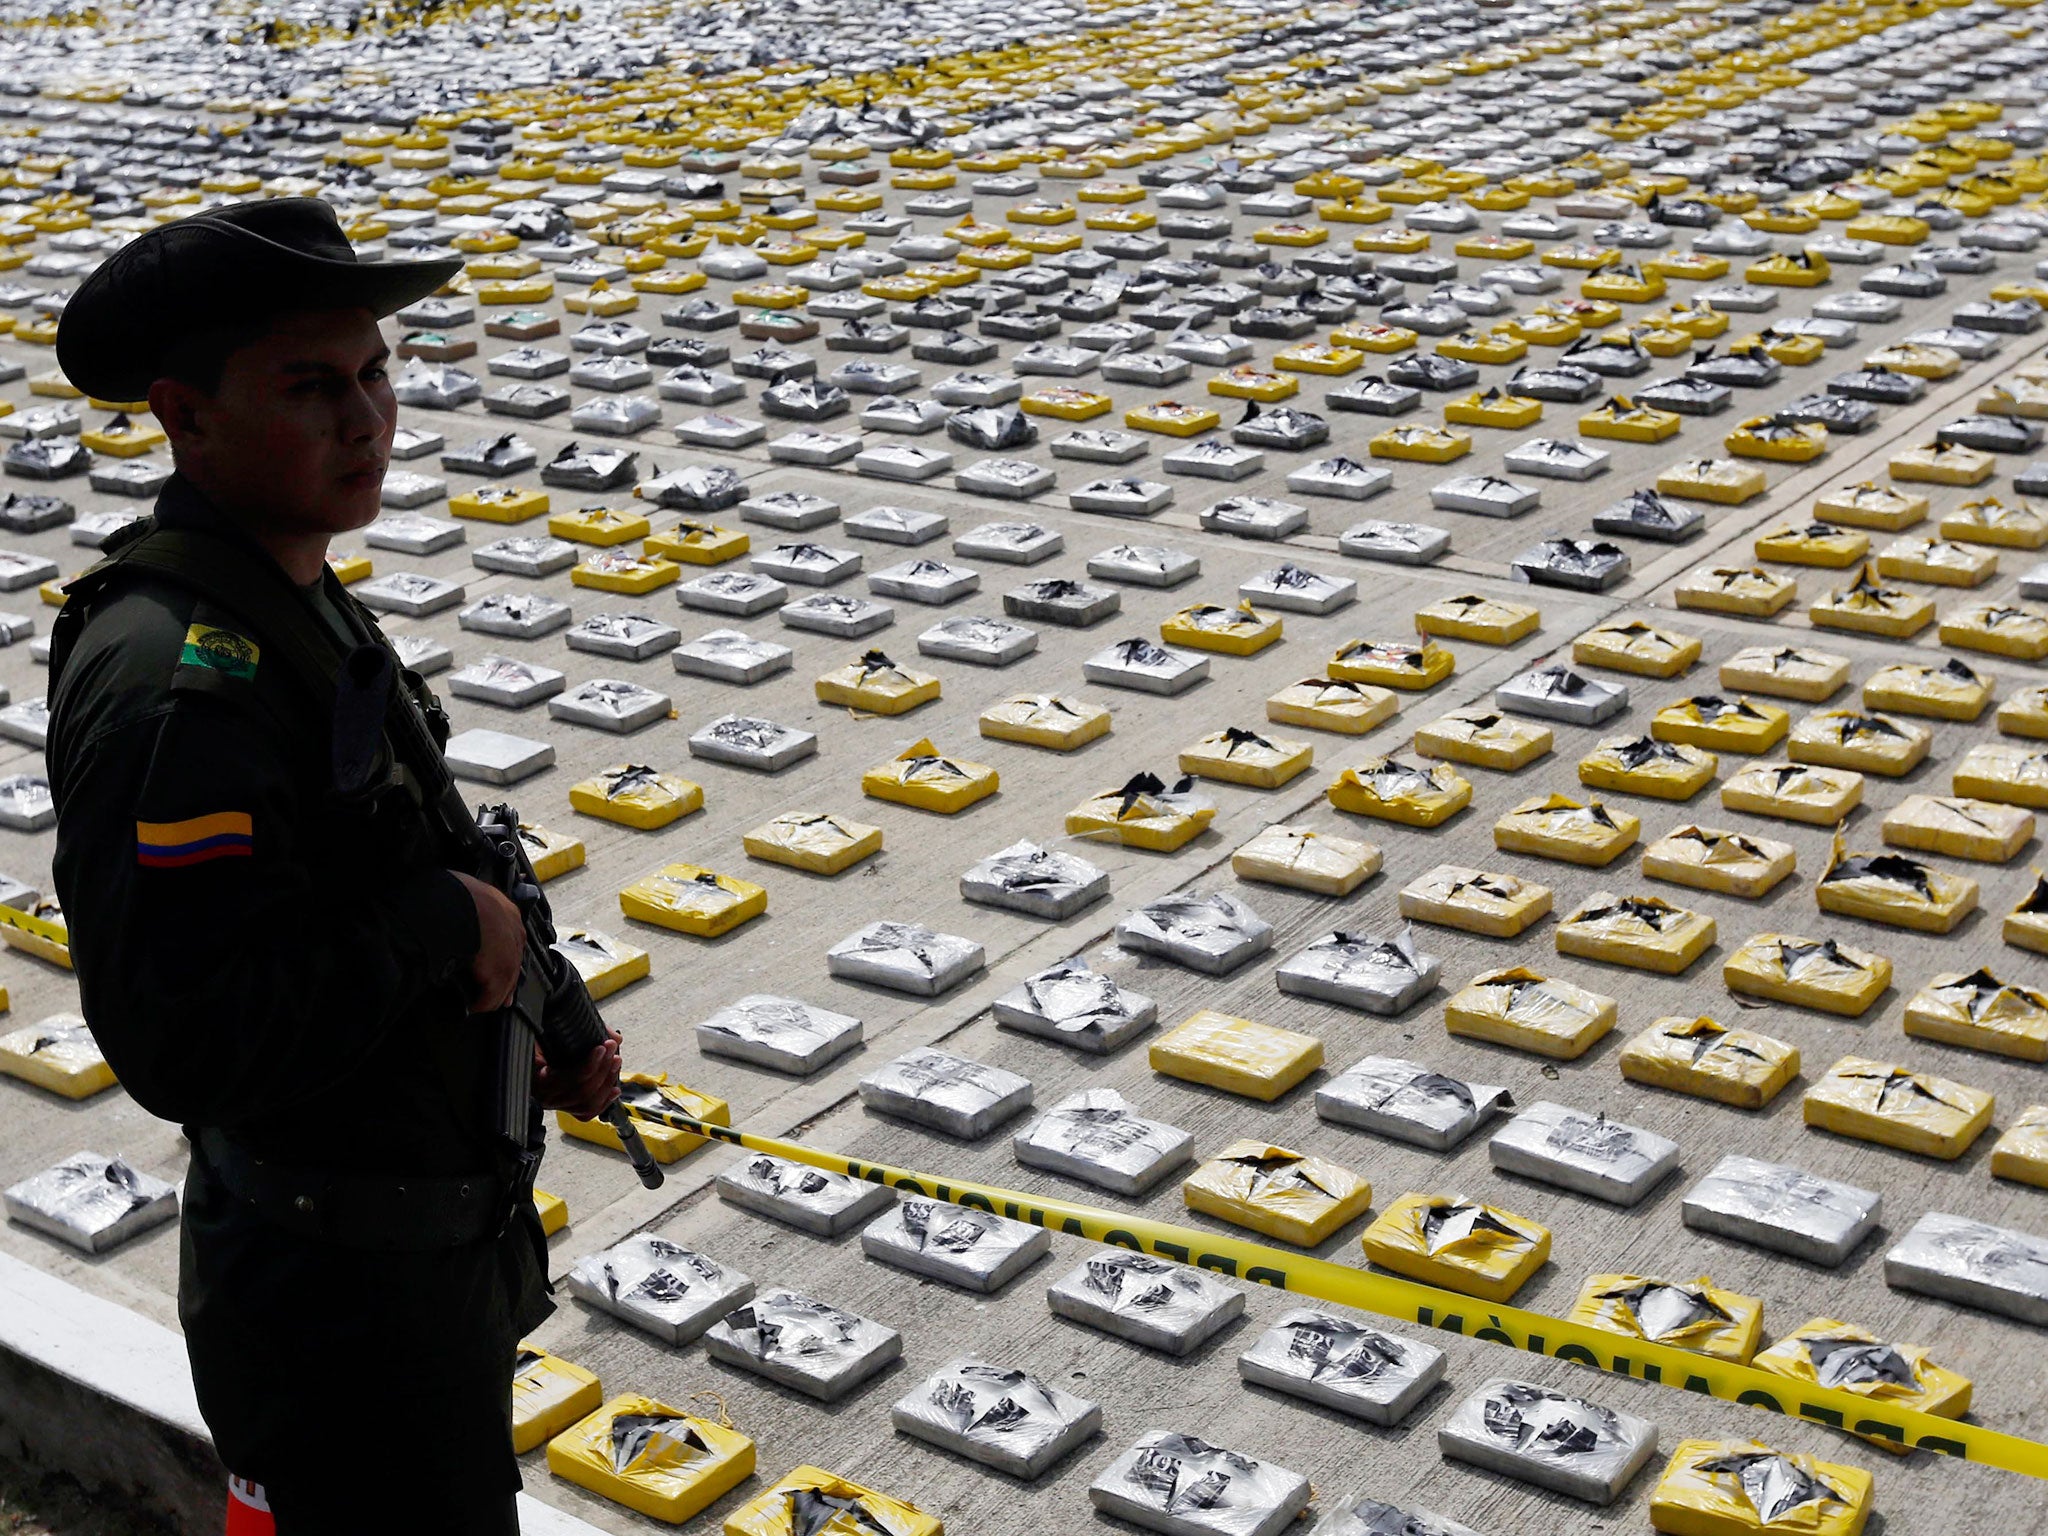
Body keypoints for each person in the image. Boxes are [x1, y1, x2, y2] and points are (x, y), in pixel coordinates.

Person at [45, 198, 621, 1535]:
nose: (366, 419)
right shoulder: (178, 676)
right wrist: (432, 931)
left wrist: (561, 1013)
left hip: (412, 1275)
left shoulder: (284, 588)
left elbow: (426, 831)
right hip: (332, 1309)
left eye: (375, 374)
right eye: (311, 386)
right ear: (185, 416)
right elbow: (183, 1035)